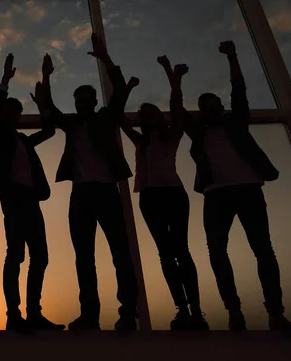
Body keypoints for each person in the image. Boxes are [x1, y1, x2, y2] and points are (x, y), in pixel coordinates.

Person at [185, 41, 291, 332]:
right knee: (218, 251)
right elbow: (175, 109)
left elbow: (239, 89)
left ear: (221, 108)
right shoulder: (198, 131)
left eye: (213, 105)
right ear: (201, 112)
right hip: (216, 193)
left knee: (263, 250)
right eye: (204, 107)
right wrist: (175, 78)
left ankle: (274, 312)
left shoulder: (236, 121)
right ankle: (234, 311)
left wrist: (233, 57)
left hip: (248, 189)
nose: (210, 110)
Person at [45, 34, 139, 331]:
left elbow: (121, 91)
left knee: (120, 253)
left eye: (86, 99)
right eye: (78, 100)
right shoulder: (72, 123)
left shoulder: (105, 118)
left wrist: (105, 59)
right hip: (82, 193)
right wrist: (45, 78)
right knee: (84, 257)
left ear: (94, 101)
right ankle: (90, 316)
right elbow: (50, 110)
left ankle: (128, 313)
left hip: (107, 192)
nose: (82, 103)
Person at [119, 58, 208, 331]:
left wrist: (174, 78)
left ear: (159, 117)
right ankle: (182, 308)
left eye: (152, 114)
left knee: (180, 249)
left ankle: (195, 309)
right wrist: (128, 88)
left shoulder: (172, 135)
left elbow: (178, 109)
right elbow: (119, 118)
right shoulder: (141, 140)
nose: (148, 119)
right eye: (144, 116)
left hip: (172, 193)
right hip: (149, 196)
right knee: (165, 253)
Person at [0, 53, 64, 332]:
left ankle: (32, 313)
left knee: (39, 257)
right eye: (9, 112)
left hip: (31, 199)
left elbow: (49, 131)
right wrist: (4, 81)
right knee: (16, 255)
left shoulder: (23, 141)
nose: (13, 116)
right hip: (14, 200)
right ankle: (14, 315)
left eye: (16, 113)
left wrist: (44, 103)